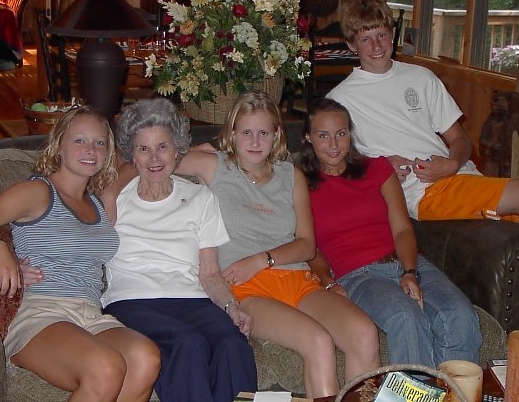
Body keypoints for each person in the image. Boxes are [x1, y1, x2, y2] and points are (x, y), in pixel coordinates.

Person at [107, 91, 381, 399]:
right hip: (246, 287)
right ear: (232, 134)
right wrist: (111, 191)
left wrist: (261, 259)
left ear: (277, 134)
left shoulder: (291, 175)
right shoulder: (215, 167)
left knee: (364, 332)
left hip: (296, 279)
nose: (254, 141)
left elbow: (307, 245)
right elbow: (155, 156)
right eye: (246, 132)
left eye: (263, 132)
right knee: (318, 340)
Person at [327, 0, 519, 325]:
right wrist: (378, 166)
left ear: (392, 34)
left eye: (381, 34)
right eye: (365, 38)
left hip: (459, 177)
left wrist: (452, 164)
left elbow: (459, 140)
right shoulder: (340, 100)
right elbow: (336, 163)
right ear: (352, 44)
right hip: (421, 191)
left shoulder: (421, 78)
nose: (376, 45)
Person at [0, 106, 160, 402]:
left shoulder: (97, 202)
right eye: (79, 140)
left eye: (99, 143)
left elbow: (141, 160)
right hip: (43, 312)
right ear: (59, 144)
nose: (90, 150)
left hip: (91, 314)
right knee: (105, 367)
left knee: (146, 358)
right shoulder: (38, 193)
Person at [299, 98, 482, 367]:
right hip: (358, 276)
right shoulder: (299, 182)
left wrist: (410, 272)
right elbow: (307, 246)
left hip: (408, 262)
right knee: (406, 317)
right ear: (309, 138)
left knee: (461, 316)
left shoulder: (378, 169)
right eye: (323, 136)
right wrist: (328, 283)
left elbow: (402, 228)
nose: (334, 144)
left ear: (350, 133)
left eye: (341, 133)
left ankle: (455, 395)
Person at [102, 97, 257, 402]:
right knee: (190, 344)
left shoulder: (201, 198)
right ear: (131, 155)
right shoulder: (114, 199)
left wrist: (231, 307)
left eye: (162, 146)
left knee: (233, 343)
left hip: (193, 301)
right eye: (143, 148)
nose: (154, 158)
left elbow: (210, 273)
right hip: (132, 301)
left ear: (177, 150)